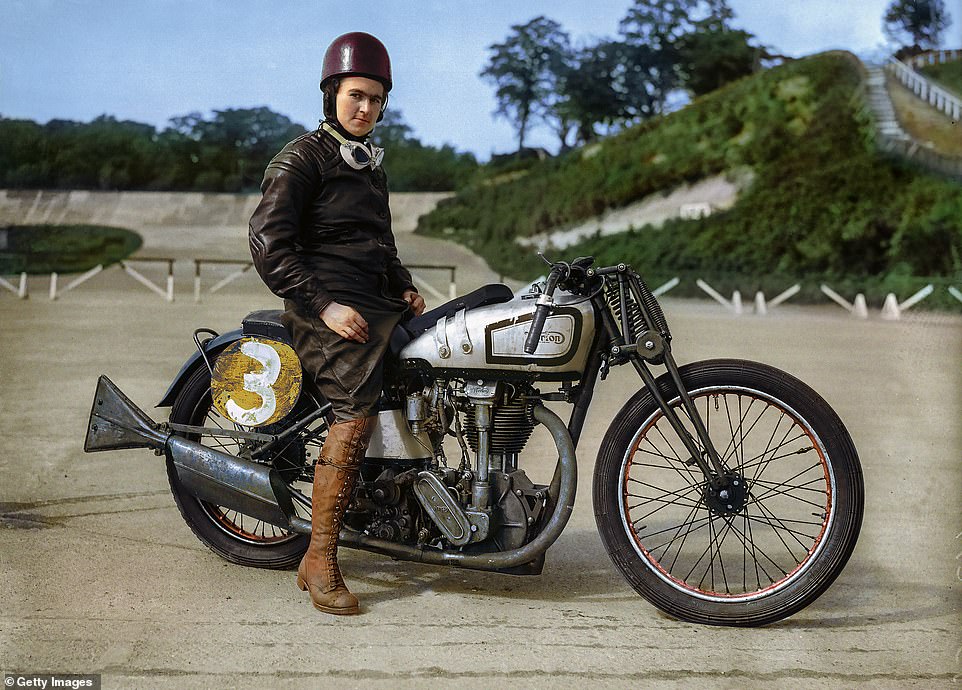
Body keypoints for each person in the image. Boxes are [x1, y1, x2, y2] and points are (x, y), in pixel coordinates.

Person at [248, 31, 425, 616]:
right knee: (355, 414)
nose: (366, 108)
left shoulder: (370, 165)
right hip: (325, 306)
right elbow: (269, 245)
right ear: (332, 94)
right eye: (356, 95)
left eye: (376, 99)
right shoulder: (301, 158)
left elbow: (380, 241)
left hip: (373, 301)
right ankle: (321, 560)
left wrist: (401, 280)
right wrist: (324, 305)